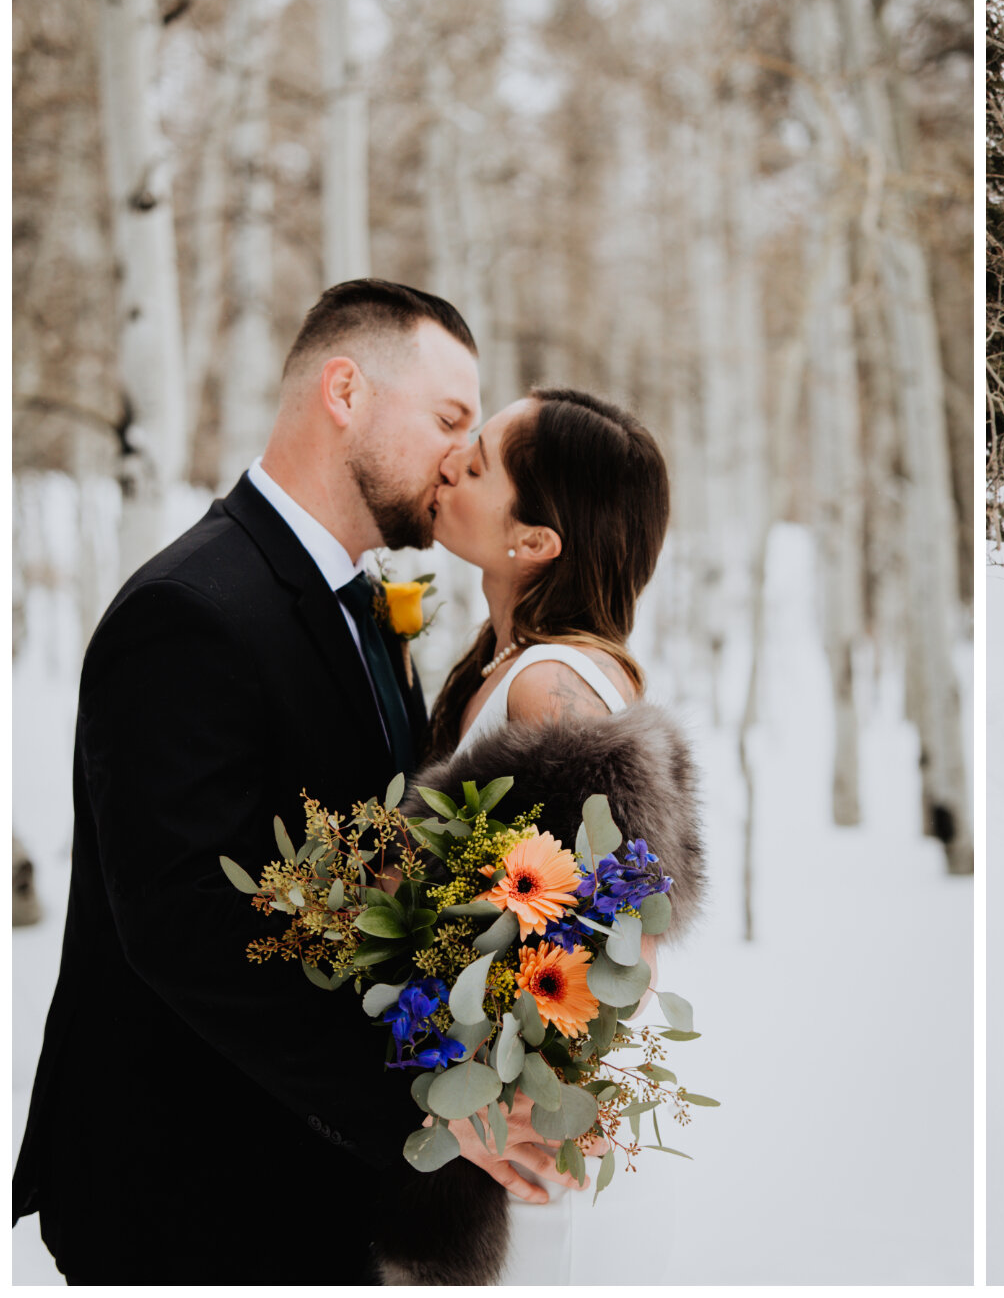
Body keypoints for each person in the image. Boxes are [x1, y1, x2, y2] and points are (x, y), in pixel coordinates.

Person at [12, 280, 588, 1284]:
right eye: (449, 418)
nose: (461, 454)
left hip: (315, 1190)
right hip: (186, 1200)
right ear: (344, 390)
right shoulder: (188, 610)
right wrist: (429, 1102)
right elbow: (183, 926)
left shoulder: (369, 611)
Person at [366, 387, 705, 1285]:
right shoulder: (502, 664)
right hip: (488, 1139)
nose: (448, 464)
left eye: (475, 464)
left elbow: (616, 948)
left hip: (531, 1168)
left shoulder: (550, 686)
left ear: (533, 541)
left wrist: (503, 1096)